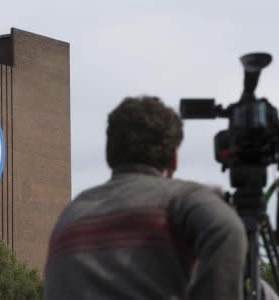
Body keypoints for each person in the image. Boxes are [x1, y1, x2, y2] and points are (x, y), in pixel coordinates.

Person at [44, 96, 248, 300]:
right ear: (174, 160)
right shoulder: (179, 197)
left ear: (109, 155)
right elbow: (226, 228)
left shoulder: (69, 216)